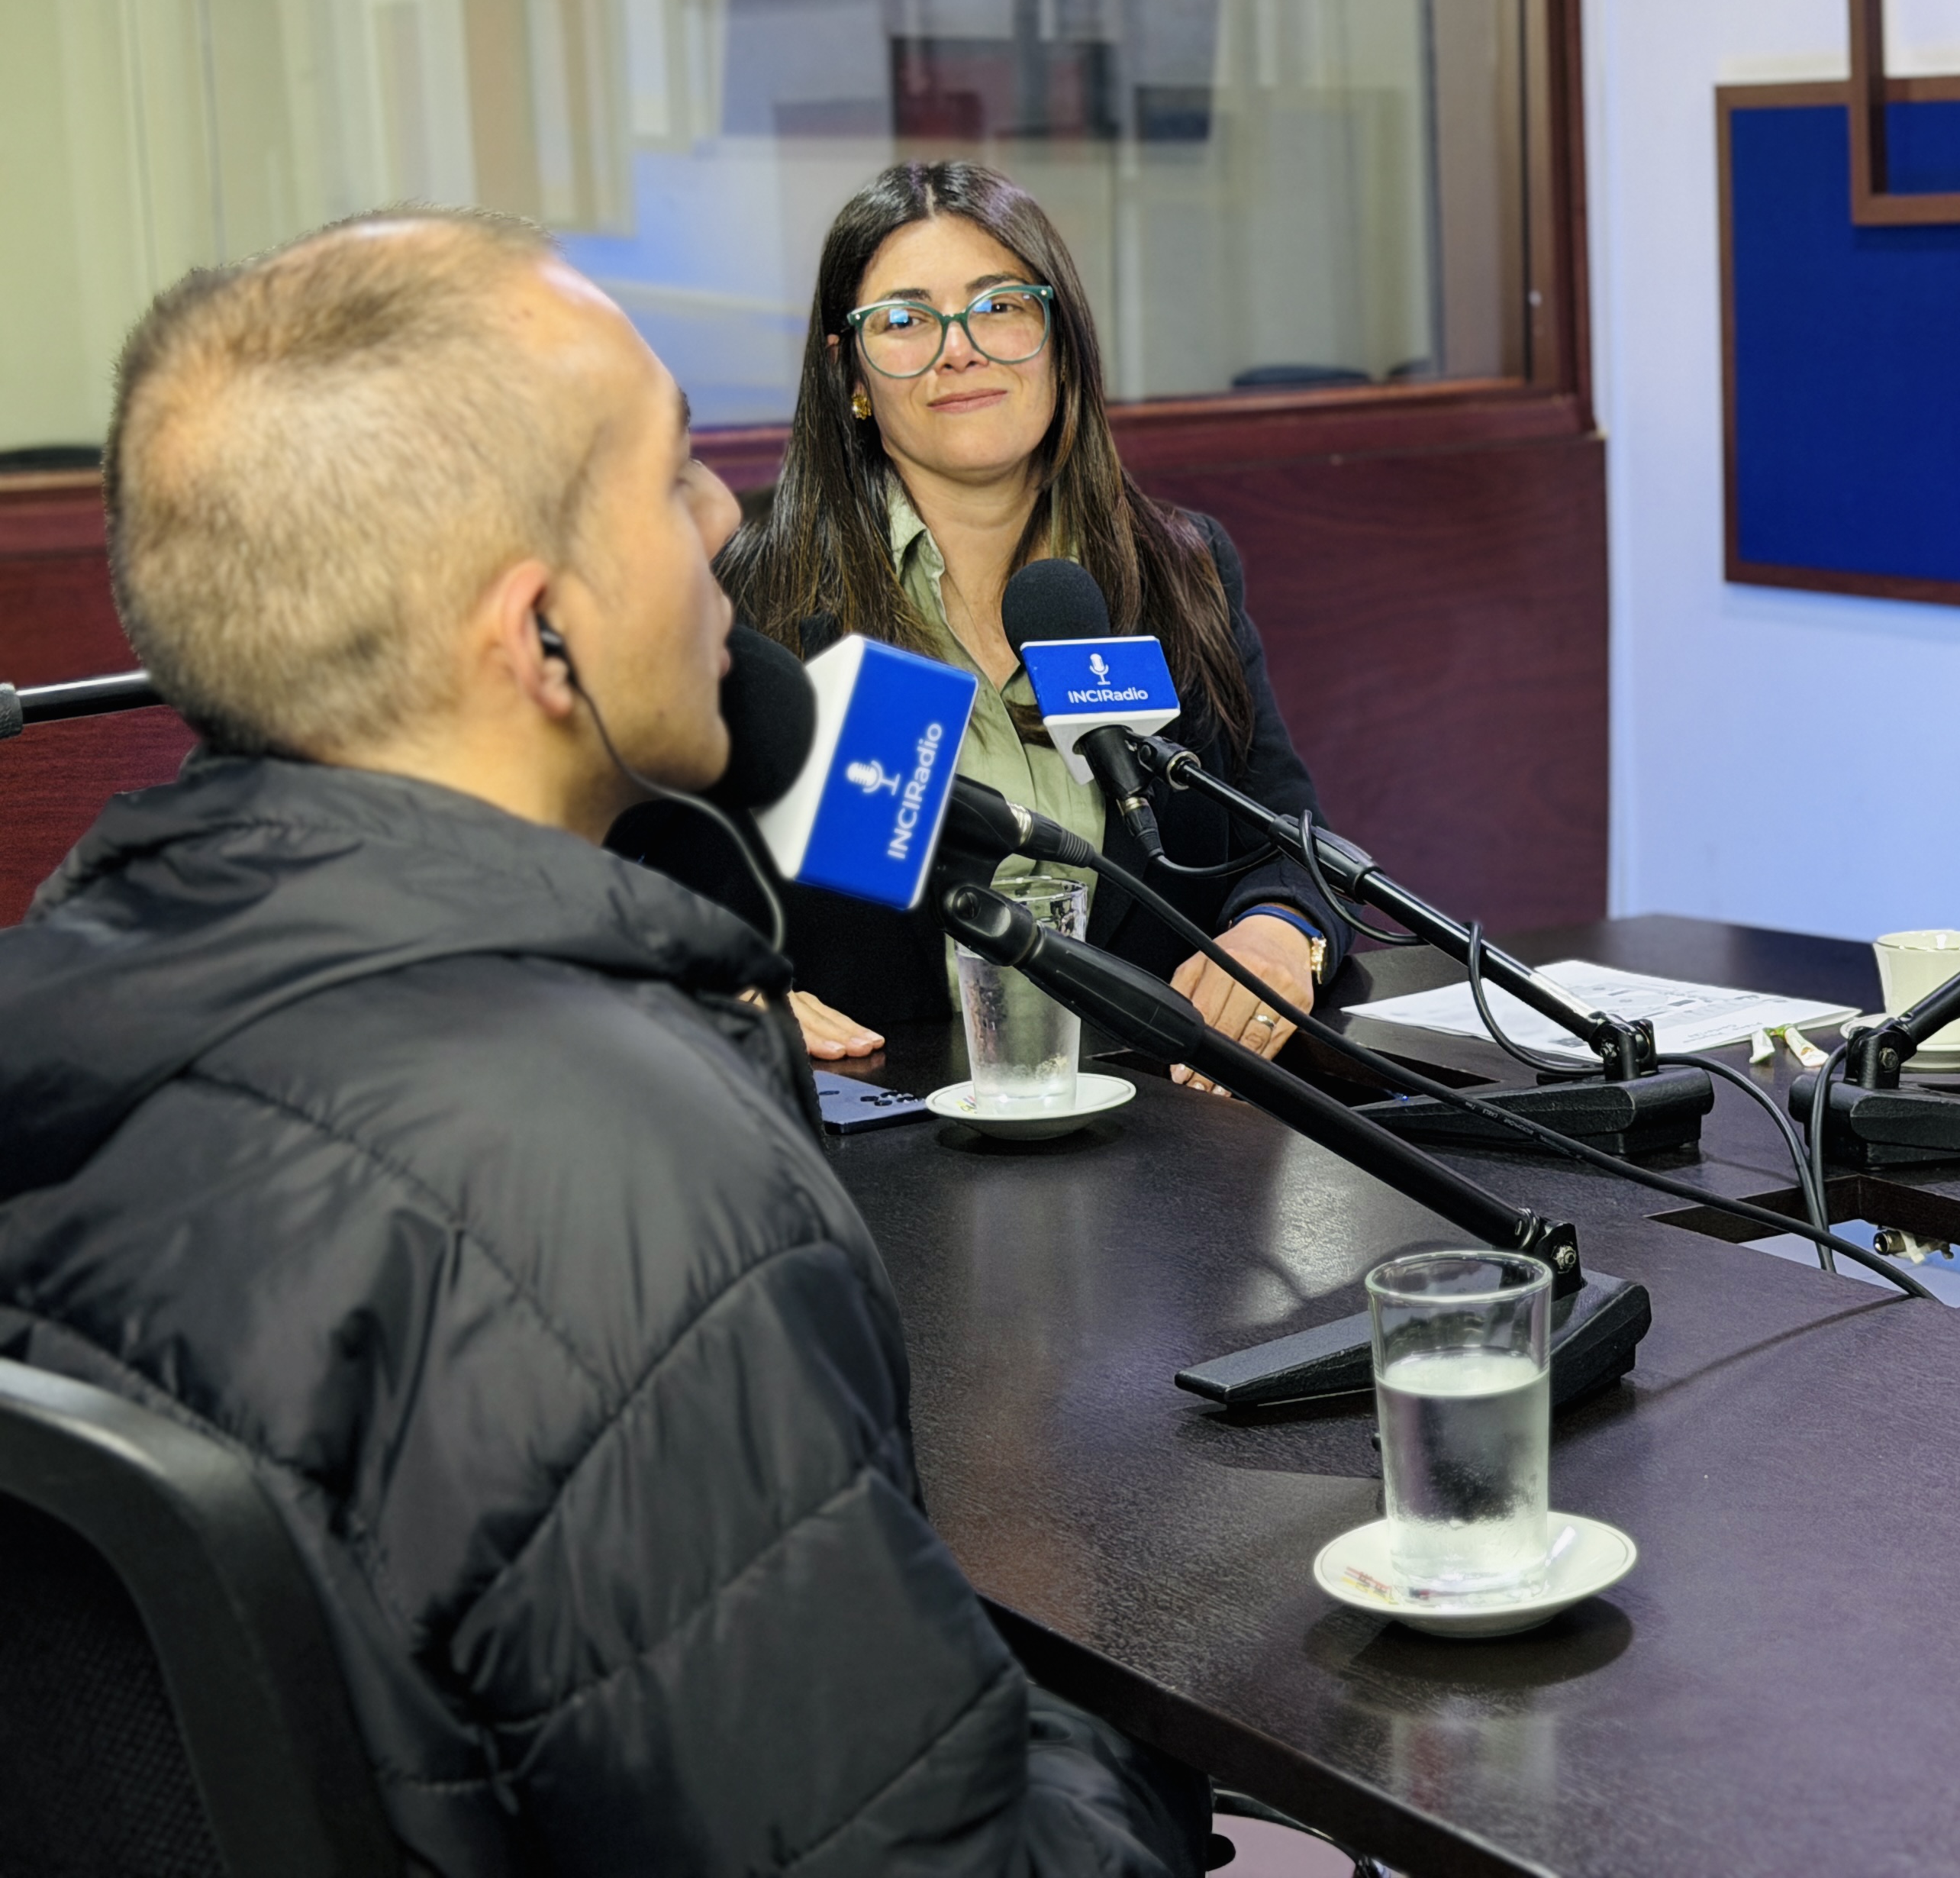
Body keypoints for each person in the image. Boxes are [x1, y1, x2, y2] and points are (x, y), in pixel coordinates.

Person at [0, 214, 1202, 1873]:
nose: (726, 523)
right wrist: (1142, 1729)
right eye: (668, 483)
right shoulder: (620, 1191)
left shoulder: (63, 989)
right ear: (535, 634)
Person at [697, 160, 1347, 1084]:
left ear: (1060, 338)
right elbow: (657, 881)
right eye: (904, 320)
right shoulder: (752, 591)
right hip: (885, 1132)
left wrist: (1282, 934)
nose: (958, 349)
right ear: (850, 374)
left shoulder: (1178, 566)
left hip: (1161, 1123)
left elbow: (1288, 838)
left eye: (999, 306)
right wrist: (720, 985)